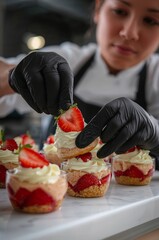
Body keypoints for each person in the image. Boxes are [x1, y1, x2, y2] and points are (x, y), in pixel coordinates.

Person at [1, 0, 159, 162]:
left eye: (151, 21)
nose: (129, 33)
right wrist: (12, 75)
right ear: (98, 10)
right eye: (120, 12)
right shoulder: (69, 59)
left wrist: (156, 133)